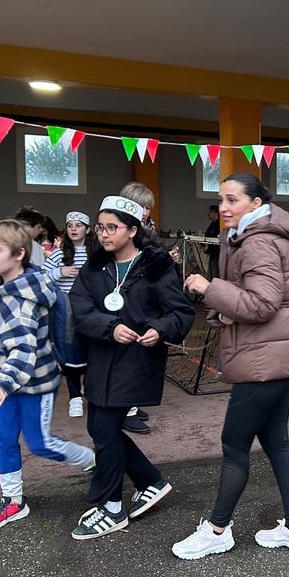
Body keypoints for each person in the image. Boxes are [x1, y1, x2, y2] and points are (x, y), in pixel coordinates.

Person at [174, 173, 289, 559]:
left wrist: (207, 288)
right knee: (275, 441)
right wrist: (224, 312)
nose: (223, 207)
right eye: (221, 200)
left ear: (256, 204)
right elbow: (257, 303)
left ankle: (218, 530)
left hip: (263, 361)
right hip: (274, 356)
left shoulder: (258, 243)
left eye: (232, 199)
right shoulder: (259, 238)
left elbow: (262, 305)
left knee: (234, 444)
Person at [69, 197, 194, 540]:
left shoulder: (155, 266)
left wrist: (160, 330)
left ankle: (110, 507)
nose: (104, 234)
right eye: (100, 227)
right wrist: (108, 328)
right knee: (99, 425)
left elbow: (180, 313)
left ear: (133, 230)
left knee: (106, 430)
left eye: (112, 227)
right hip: (102, 358)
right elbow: (79, 307)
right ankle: (150, 480)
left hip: (137, 360)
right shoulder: (95, 267)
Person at [0, 219, 94, 532]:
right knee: (3, 439)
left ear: (19, 254)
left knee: (41, 444)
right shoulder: (15, 281)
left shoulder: (18, 298)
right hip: (11, 384)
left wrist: (0, 382)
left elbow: (23, 350)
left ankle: (93, 461)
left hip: (33, 383)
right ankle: (13, 501)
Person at [117, 181, 162, 433]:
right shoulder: (122, 228)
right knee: (128, 353)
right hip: (127, 295)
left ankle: (131, 404)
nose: (147, 211)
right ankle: (125, 409)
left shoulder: (146, 226)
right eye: (143, 206)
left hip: (144, 294)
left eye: (148, 207)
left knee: (140, 352)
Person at [43, 211, 96, 418]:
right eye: (70, 225)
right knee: (69, 349)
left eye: (78, 225)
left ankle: (89, 390)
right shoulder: (58, 253)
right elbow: (41, 276)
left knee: (92, 348)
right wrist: (60, 272)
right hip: (65, 306)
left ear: (88, 229)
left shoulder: (96, 253)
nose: (74, 229)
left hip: (91, 306)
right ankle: (74, 396)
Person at [205, 204, 221, 280]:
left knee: (215, 273)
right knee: (211, 273)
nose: (208, 213)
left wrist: (209, 246)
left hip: (217, 252)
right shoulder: (213, 224)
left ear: (216, 212)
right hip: (212, 252)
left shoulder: (220, 224)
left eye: (210, 211)